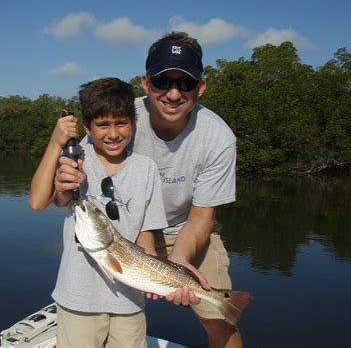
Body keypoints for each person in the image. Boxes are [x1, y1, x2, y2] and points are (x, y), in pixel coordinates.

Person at [54, 32, 243, 348]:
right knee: (99, 312)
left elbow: (202, 217)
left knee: (221, 321)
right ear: (145, 83)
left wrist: (178, 262)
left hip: (188, 228)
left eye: (185, 83)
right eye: (162, 81)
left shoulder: (218, 138)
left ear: (201, 86)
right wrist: (62, 178)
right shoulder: (120, 118)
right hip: (123, 232)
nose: (172, 93)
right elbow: (80, 183)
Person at [29, 77, 168, 348]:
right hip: (78, 300)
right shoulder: (76, 158)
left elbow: (146, 233)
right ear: (87, 127)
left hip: (130, 300)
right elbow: (38, 202)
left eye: (121, 123)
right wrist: (56, 144)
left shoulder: (146, 168)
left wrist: (157, 279)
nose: (113, 133)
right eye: (102, 125)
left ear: (133, 122)